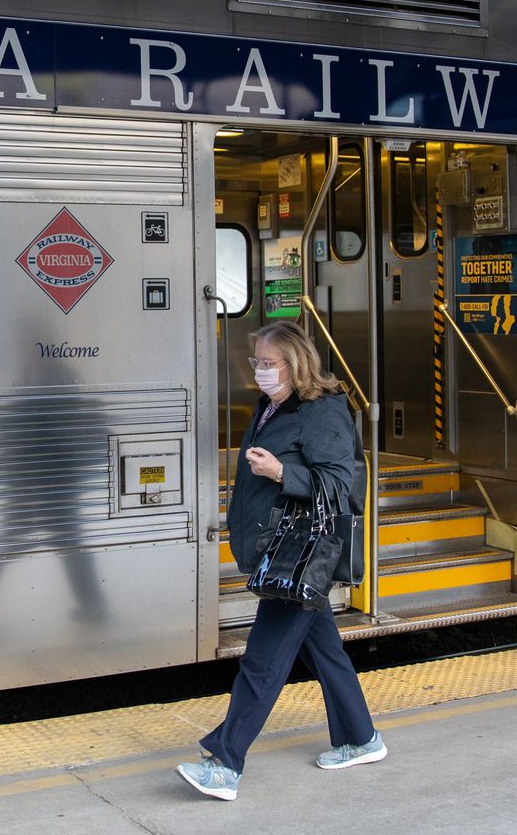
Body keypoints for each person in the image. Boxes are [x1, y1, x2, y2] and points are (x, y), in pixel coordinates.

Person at [177, 320, 383, 801]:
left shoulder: (322, 410)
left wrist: (280, 471)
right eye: (257, 363)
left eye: (268, 364)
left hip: (300, 555)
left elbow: (338, 484)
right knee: (326, 651)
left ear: (296, 363)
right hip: (277, 547)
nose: (260, 372)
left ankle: (225, 763)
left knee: (262, 661)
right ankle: (360, 737)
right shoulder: (272, 405)